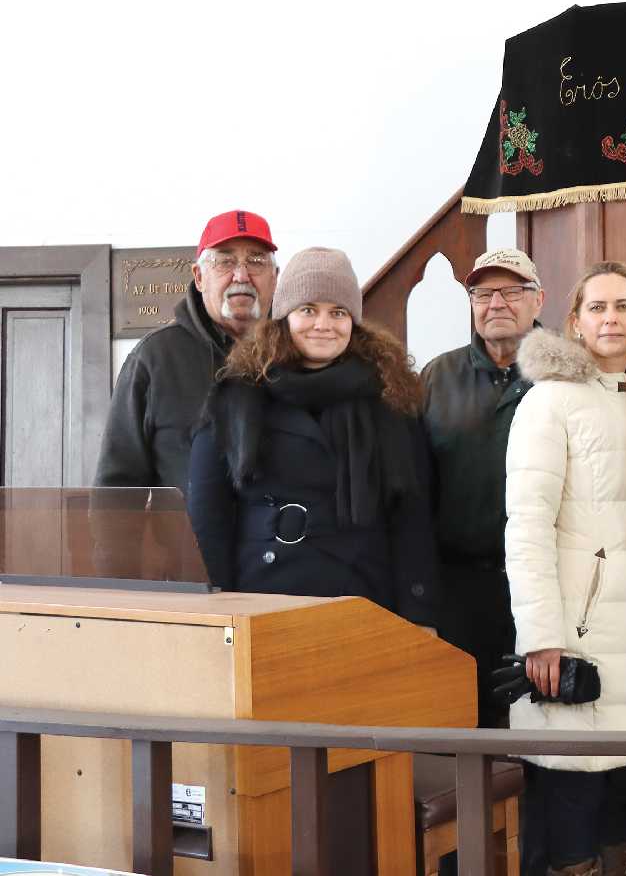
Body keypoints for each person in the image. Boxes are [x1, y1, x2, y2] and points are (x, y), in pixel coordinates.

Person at [505, 261, 626, 876]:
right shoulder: (550, 401)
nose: (611, 318)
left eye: (623, 307)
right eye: (597, 308)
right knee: (575, 798)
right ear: (575, 322)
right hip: (582, 634)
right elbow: (527, 526)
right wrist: (542, 636)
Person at [186, 247, 437, 627]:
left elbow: (411, 518)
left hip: (365, 603)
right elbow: (209, 520)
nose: (323, 324)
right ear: (285, 317)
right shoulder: (236, 396)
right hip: (263, 603)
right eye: (308, 310)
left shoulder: (390, 397)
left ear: (354, 321)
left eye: (338, 312)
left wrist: (420, 614)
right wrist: (213, 613)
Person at [421, 248, 544, 729]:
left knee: (539, 724)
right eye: (483, 293)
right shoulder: (437, 377)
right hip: (459, 587)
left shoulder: (565, 375)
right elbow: (417, 483)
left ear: (538, 300)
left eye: (512, 291)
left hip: (540, 585)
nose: (496, 303)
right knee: (464, 723)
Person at [97, 210, 278, 491]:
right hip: (183, 536)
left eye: (256, 261)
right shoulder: (153, 359)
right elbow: (116, 487)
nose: (241, 275)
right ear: (199, 276)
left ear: (275, 277)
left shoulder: (296, 355)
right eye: (225, 261)